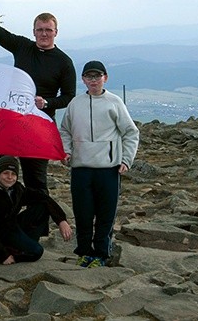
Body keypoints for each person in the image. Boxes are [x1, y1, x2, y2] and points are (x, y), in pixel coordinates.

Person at [0, 0, 76, 236]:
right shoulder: (23, 47)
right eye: (39, 29)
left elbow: (70, 95)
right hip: (11, 120)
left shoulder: (64, 62)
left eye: (48, 30)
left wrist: (48, 102)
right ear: (34, 31)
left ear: (56, 32)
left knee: (36, 182)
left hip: (39, 125)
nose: (43, 34)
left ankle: (34, 231)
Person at [59, 60, 139, 268]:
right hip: (81, 168)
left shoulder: (114, 103)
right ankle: (85, 253)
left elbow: (131, 132)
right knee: (83, 214)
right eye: (89, 76)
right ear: (83, 79)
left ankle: (101, 255)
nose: (93, 80)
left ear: (105, 78)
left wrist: (126, 160)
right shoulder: (75, 104)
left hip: (108, 169)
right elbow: (65, 130)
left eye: (97, 76)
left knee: (105, 215)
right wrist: (66, 151)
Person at [0, 156, 73, 265]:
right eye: (5, 173)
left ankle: (23, 246)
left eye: (13, 174)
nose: (10, 177)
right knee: (37, 252)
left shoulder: (17, 189)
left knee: (42, 207)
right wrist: (3, 255)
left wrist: (61, 220)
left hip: (12, 227)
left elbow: (43, 198)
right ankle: (0, 255)